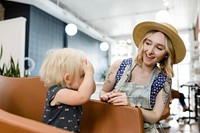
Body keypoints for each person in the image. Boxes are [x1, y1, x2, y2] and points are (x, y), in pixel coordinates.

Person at [99, 21, 186, 132]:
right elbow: (102, 92)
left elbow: (155, 117)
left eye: (159, 48)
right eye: (148, 43)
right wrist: (106, 97)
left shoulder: (164, 80)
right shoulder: (119, 66)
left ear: (166, 54)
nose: (150, 51)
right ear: (143, 43)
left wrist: (131, 105)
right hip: (114, 127)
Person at [40, 48, 96, 133]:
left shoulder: (73, 91)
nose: (86, 79)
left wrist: (90, 74)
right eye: (82, 75)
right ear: (68, 78)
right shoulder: (58, 92)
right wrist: (89, 73)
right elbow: (83, 97)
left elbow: (91, 90)